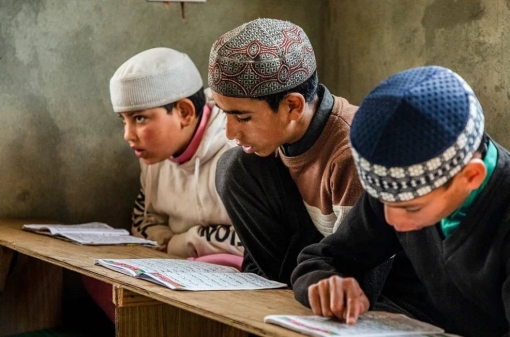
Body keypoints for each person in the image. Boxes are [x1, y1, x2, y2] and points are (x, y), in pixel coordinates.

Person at [291, 66, 510, 336]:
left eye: (412, 208)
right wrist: (326, 283)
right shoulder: (400, 192)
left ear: (472, 177)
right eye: (384, 202)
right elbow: (321, 259)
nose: (393, 221)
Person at [82, 47, 243, 323]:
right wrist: (170, 245)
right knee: (93, 274)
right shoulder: (152, 155)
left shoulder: (236, 151)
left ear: (184, 111)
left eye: (140, 118)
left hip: (232, 276)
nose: (128, 135)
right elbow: (144, 221)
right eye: (123, 120)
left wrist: (180, 243)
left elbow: (251, 242)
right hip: (172, 266)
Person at [210, 18, 364, 285]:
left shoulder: (351, 154)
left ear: (293, 106)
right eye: (225, 114)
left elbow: (360, 269)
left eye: (243, 118)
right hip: (304, 273)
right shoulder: (275, 142)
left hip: (362, 286)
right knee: (235, 166)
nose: (230, 133)